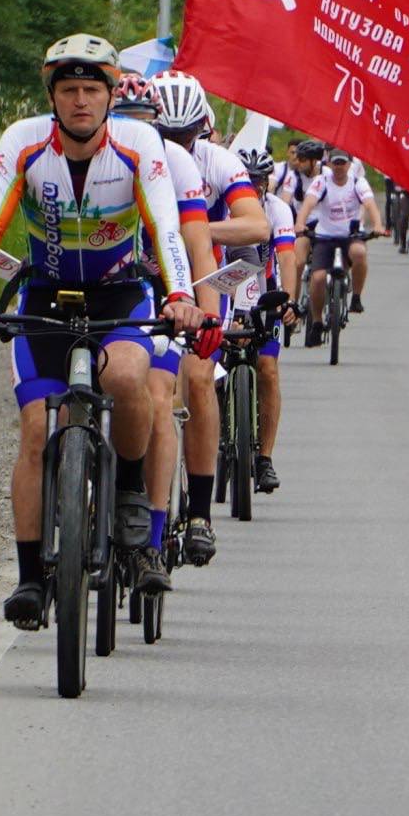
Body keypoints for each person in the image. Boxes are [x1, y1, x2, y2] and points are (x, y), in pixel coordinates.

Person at [0, 36, 205, 628]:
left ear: (112, 95)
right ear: (52, 98)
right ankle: (32, 577)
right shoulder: (24, 141)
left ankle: (133, 506)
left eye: (92, 89)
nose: (81, 101)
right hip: (45, 296)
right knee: (37, 428)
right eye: (69, 90)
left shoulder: (139, 143)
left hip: (119, 293)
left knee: (129, 377)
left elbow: (166, 224)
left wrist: (182, 297)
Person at [151, 70, 269, 565]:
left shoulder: (215, 160)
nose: (176, 145)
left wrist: (196, 227)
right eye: (166, 136)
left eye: (185, 136)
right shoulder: (133, 153)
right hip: (143, 277)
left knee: (199, 379)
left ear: (202, 128)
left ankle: (198, 513)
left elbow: (256, 222)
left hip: (202, 279)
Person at [110, 75, 223, 572]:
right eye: (124, 124)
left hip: (161, 293)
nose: (135, 134)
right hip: (106, 287)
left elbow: (198, 245)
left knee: (157, 395)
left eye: (145, 126)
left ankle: (152, 539)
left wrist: (208, 314)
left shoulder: (173, 162)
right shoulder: (90, 155)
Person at [232, 148, 298, 494]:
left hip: (263, 297)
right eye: (248, 180)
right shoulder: (222, 205)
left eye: (260, 180)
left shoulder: (278, 209)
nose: (254, 187)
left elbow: (287, 258)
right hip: (225, 295)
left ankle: (265, 458)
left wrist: (289, 300)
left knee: (268, 369)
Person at [293, 147, 385, 342]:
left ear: (349, 165)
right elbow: (308, 204)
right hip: (325, 236)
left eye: (343, 163)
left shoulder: (357, 183)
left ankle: (356, 298)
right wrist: (300, 223)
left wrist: (377, 225)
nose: (339, 167)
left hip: (350, 235)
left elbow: (370, 205)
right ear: (329, 164)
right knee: (317, 279)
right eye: (336, 163)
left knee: (359, 252)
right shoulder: (321, 182)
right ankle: (317, 322)